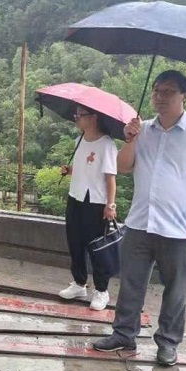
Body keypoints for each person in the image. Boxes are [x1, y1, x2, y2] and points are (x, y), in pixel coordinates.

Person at [93, 70, 186, 366]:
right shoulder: (141, 129)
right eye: (157, 91)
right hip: (140, 223)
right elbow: (122, 167)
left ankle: (168, 342)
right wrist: (130, 140)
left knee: (176, 290)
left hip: (181, 228)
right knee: (131, 283)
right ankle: (123, 334)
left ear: (184, 96)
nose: (160, 97)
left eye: (168, 91)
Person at [57, 104, 118, 311]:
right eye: (76, 115)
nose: (77, 118)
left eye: (81, 115)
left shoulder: (107, 144)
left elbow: (110, 178)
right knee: (75, 242)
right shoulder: (79, 140)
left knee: (97, 247)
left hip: (96, 202)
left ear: (94, 117)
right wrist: (69, 170)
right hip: (76, 196)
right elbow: (83, 169)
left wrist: (110, 204)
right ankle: (79, 283)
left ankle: (101, 290)